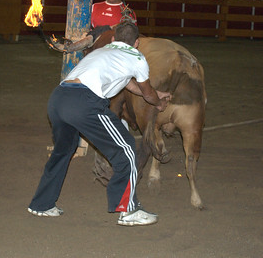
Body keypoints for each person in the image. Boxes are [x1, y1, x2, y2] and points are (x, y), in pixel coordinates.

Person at [28, 21, 171, 226]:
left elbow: (129, 83)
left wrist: (156, 94)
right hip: (84, 102)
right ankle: (128, 210)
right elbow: (147, 93)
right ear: (137, 43)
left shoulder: (103, 51)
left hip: (59, 98)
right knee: (127, 149)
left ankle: (41, 204)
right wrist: (158, 102)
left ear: (113, 39)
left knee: (63, 150)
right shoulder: (136, 57)